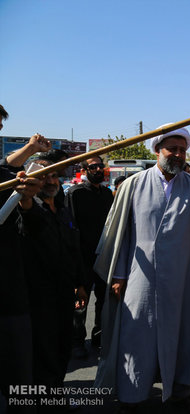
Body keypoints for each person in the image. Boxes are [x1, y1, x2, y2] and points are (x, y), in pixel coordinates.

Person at [93, 127, 190, 413]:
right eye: (173, 149)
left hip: (185, 278)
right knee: (137, 336)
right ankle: (132, 396)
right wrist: (119, 274)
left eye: (182, 150)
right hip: (140, 277)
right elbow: (123, 236)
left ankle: (181, 393)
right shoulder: (133, 184)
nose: (179, 155)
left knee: (184, 336)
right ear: (158, 150)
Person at [21, 153, 88, 408]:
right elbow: (29, 225)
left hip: (64, 292)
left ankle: (55, 396)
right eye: (43, 176)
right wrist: (26, 199)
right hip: (38, 294)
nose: (50, 181)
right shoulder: (27, 207)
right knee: (44, 352)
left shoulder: (61, 208)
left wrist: (80, 283)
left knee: (62, 348)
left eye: (53, 175)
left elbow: (74, 247)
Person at [0, 126, 48, 414]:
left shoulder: (9, 179)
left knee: (18, 380)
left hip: (9, 295)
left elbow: (34, 228)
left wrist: (28, 201)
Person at [65, 155, 114, 357]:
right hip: (82, 255)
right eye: (92, 167)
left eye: (100, 166)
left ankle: (99, 337)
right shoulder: (75, 194)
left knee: (103, 298)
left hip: (103, 254)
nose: (97, 169)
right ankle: (76, 342)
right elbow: (71, 226)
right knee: (80, 301)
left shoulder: (107, 194)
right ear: (84, 171)